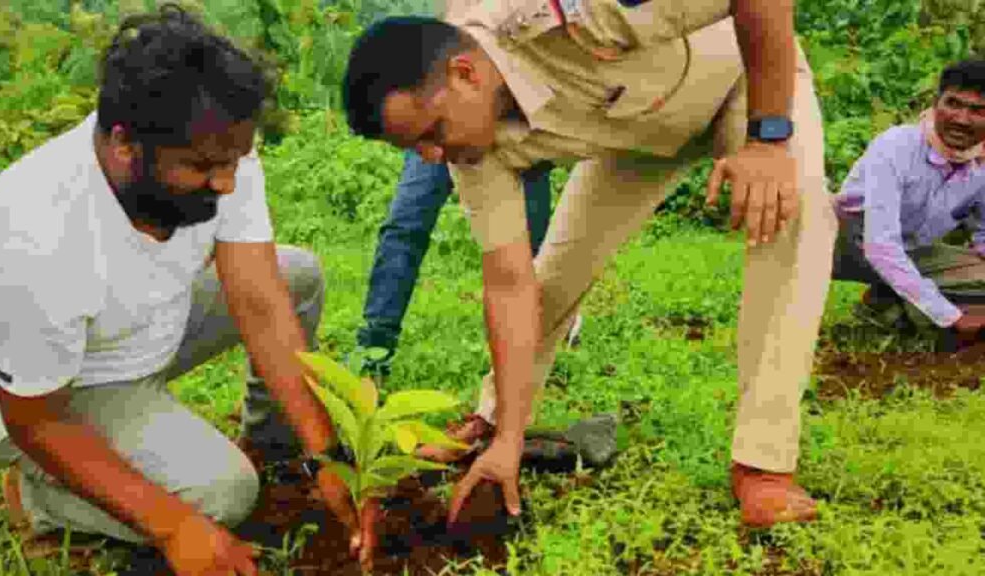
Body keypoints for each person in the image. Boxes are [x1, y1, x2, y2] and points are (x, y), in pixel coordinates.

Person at [342, 0, 838, 529]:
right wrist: (511, 441)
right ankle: (493, 424)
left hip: (742, 81)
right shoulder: (470, 146)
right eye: (415, 146)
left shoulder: (559, 10)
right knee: (554, 276)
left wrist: (768, 140)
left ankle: (762, 465)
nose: (432, 157)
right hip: (636, 133)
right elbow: (510, 284)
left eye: (432, 132)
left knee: (795, 209)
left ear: (465, 72)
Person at [0, 5, 370, 573]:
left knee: (294, 276)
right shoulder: (33, 235)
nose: (227, 183)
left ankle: (273, 448)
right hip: (48, 392)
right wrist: (177, 527)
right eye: (205, 169)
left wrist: (323, 453)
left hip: (136, 328)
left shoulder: (213, 144)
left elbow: (257, 297)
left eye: (234, 162)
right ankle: (40, 498)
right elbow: (34, 420)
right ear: (126, 144)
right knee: (222, 496)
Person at [355, 151, 563, 377]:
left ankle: (532, 353)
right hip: (439, 127)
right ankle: (374, 348)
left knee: (530, 247)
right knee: (405, 225)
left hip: (516, 130)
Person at [832, 59, 985, 347]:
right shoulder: (897, 146)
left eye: (978, 111)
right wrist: (949, 315)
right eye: (953, 104)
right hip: (842, 244)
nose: (962, 119)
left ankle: (883, 305)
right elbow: (880, 245)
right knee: (812, 216)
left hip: (912, 251)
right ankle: (910, 315)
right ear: (935, 102)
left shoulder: (981, 163)